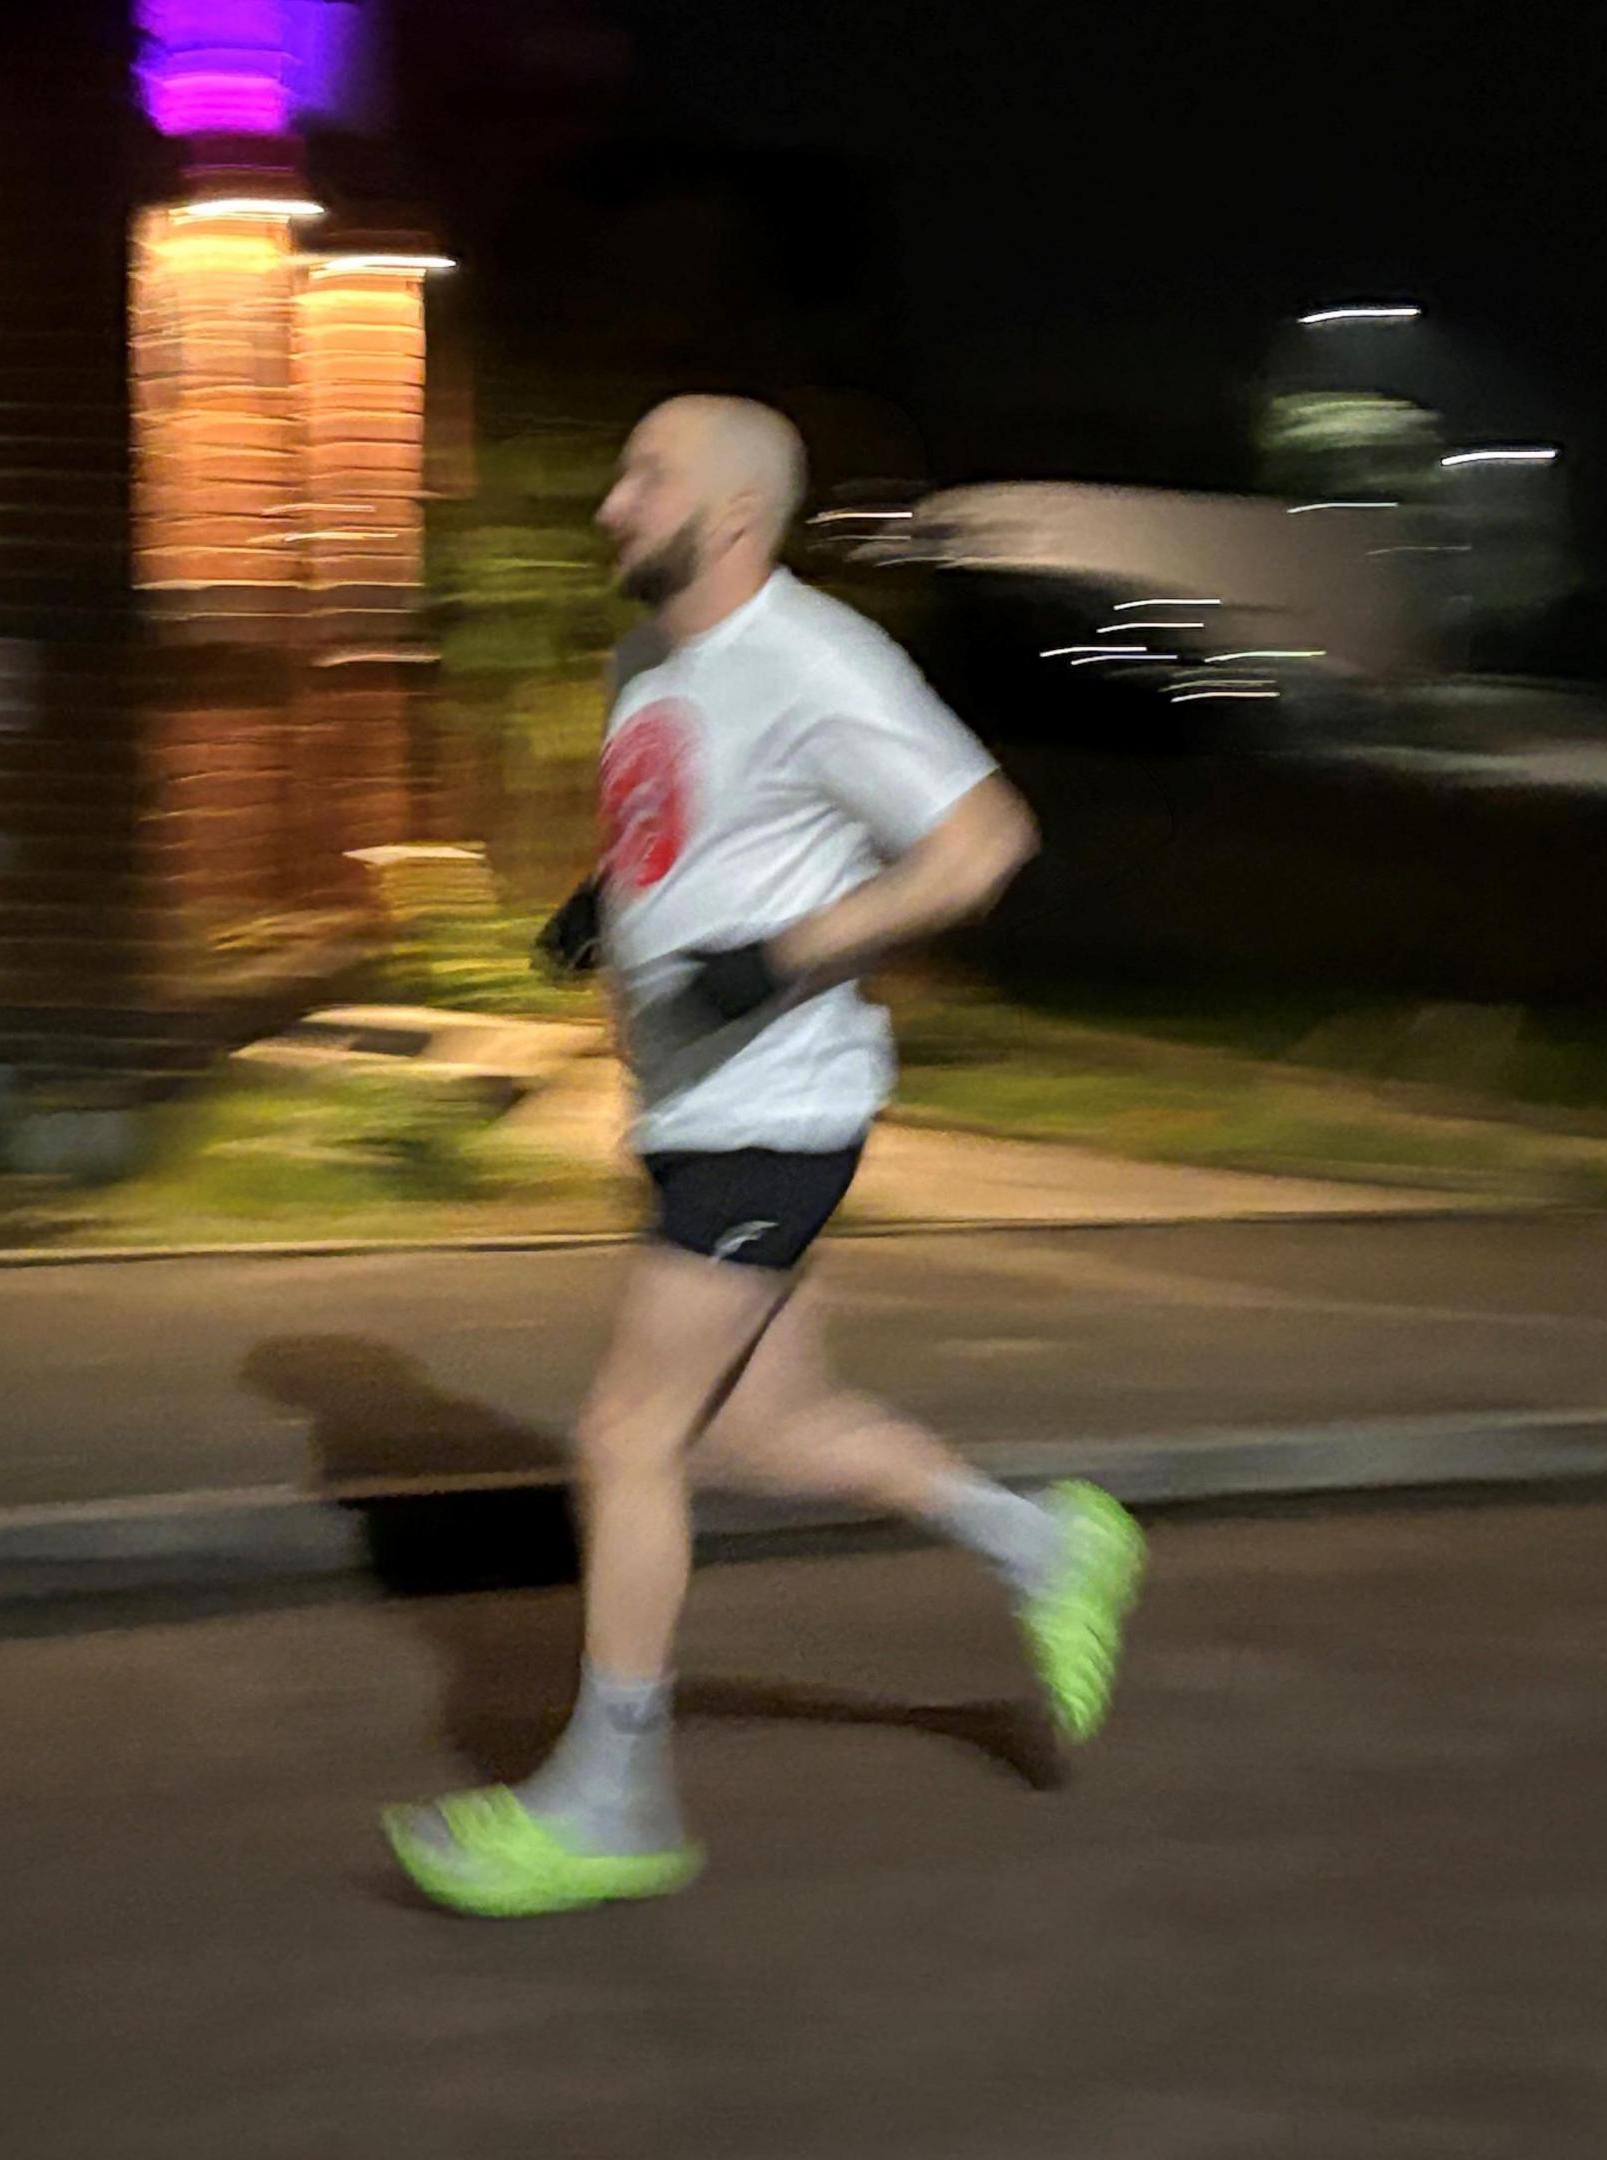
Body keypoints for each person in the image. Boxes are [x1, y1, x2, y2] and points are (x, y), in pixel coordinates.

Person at [384, 395, 1145, 1919]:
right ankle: (1041, 1543)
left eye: (642, 476)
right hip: (685, 1111)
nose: (610, 504)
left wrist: (788, 955)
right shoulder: (648, 658)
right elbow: (689, 818)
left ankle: (614, 1801)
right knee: (765, 1433)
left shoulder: (819, 659)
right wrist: (602, 904)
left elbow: (985, 841)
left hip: (773, 1113)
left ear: (731, 514)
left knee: (625, 1439)